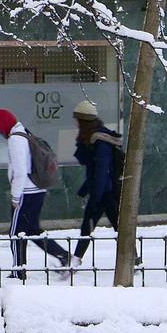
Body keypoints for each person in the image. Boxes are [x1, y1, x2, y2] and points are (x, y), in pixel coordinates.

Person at [0, 108, 70, 280]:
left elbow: (20, 170)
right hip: (36, 190)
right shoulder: (24, 134)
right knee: (32, 230)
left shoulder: (16, 140)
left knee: (16, 233)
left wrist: (15, 197)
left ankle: (19, 271)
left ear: (4, 125)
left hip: (26, 192)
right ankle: (64, 256)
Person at [71, 100, 123, 263]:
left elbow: (102, 170)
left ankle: (75, 261)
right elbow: (94, 168)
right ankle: (133, 259)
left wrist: (96, 197)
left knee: (88, 227)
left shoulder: (100, 140)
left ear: (83, 121)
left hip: (104, 192)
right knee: (118, 227)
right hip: (106, 191)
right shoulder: (94, 138)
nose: (75, 123)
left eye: (78, 120)